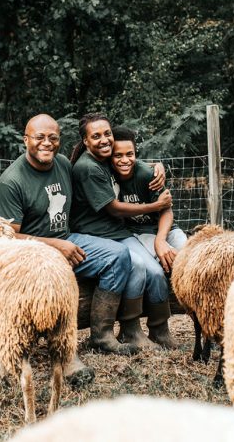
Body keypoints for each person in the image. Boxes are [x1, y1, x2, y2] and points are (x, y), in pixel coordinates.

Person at [69, 113, 173, 351]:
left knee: (156, 272)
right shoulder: (88, 167)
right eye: (96, 136)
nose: (104, 140)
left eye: (107, 134)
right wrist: (154, 206)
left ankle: (159, 328)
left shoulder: (105, 160)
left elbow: (127, 159)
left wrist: (157, 166)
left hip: (117, 232)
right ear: (85, 141)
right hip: (98, 235)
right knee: (136, 265)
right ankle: (130, 328)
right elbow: (114, 209)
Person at [109, 125, 188, 348]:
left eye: (130, 154)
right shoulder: (107, 176)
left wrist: (161, 240)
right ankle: (158, 328)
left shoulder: (146, 174)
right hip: (137, 233)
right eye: (118, 155)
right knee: (157, 269)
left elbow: (166, 209)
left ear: (136, 154)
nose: (124, 160)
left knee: (188, 261)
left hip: (165, 230)